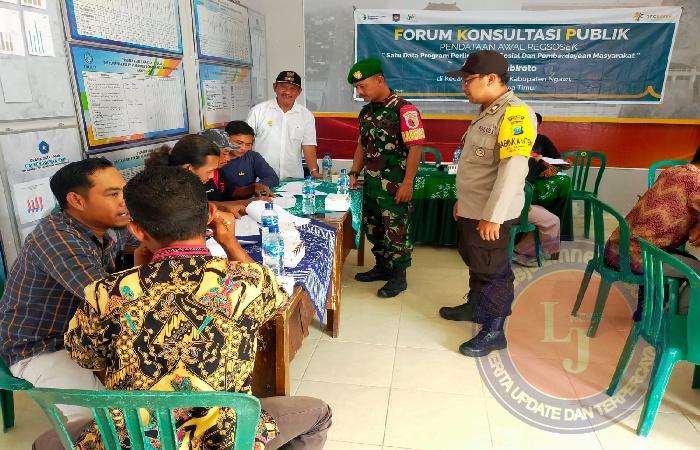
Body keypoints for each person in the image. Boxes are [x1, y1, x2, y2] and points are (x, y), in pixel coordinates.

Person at [59, 167, 331, 450]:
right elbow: (276, 298)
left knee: (48, 440)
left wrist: (138, 273)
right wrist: (230, 243)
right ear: (210, 214)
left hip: (132, 441)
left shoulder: (105, 292)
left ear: (137, 230)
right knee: (319, 414)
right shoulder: (246, 282)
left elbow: (85, 357)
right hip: (224, 440)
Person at [0, 158, 135, 421]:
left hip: (85, 332)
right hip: (42, 345)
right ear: (76, 201)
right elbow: (107, 300)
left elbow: (144, 241)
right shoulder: (58, 238)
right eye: (113, 194)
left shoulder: (109, 225)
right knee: (104, 421)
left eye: (124, 191)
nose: (124, 201)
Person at [438, 51, 536, 357]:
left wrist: (494, 216)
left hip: (492, 213)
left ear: (491, 79)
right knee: (476, 259)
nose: (463, 87)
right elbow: (477, 167)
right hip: (474, 207)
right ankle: (475, 306)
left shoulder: (515, 114)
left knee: (494, 270)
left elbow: (512, 170)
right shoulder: (487, 111)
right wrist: (463, 202)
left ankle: (494, 330)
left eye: (468, 80)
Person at [346, 57, 426, 298]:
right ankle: (382, 267)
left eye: (363, 86)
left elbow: (415, 148)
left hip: (395, 186)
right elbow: (361, 145)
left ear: (379, 80)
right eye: (357, 88)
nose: (360, 92)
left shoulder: (405, 110)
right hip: (371, 185)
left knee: (396, 232)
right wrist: (354, 172)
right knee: (375, 229)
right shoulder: (366, 112)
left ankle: (398, 277)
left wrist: (408, 183)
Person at [605, 147, 700, 318]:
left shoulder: (674, 171)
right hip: (637, 257)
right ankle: (674, 321)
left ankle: (648, 309)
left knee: (683, 258)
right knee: (697, 271)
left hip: (616, 248)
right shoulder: (697, 183)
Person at [146, 134, 249, 218]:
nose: (212, 176)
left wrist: (222, 207)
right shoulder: (165, 192)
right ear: (188, 168)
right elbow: (188, 210)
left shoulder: (187, 181)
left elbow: (199, 205)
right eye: (209, 171)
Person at [246, 70, 321, 180]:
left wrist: (314, 171)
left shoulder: (306, 115)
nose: (287, 92)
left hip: (293, 179)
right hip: (261, 179)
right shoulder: (257, 111)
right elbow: (246, 144)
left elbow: (308, 146)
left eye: (292, 88)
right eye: (283, 87)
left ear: (299, 92)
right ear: (274, 87)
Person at [200, 123, 279, 201]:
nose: (243, 148)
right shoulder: (215, 163)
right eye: (239, 143)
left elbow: (233, 191)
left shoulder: (252, 157)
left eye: (248, 144)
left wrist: (256, 187)